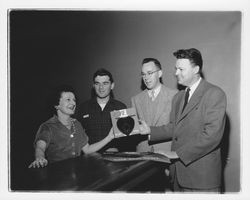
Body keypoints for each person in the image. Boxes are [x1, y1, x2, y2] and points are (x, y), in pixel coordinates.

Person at [139, 48, 227, 192]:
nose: (176, 73)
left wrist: (177, 154)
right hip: (178, 177)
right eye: (176, 68)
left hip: (202, 180)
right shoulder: (178, 97)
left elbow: (212, 136)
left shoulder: (214, 94)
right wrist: (150, 130)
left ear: (196, 69)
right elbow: (174, 127)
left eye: (181, 69)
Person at [28, 85, 121, 168]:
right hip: (57, 178)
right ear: (57, 105)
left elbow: (87, 150)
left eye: (74, 100)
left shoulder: (77, 124)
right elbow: (40, 147)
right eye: (68, 99)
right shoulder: (48, 126)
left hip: (77, 175)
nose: (73, 103)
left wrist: (109, 137)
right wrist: (39, 158)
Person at [131, 58, 177, 153]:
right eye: (143, 74)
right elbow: (134, 131)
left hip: (167, 153)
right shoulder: (136, 99)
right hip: (143, 154)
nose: (146, 77)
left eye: (150, 73)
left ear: (160, 73)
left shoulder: (174, 95)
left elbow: (176, 128)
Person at [77, 68, 127, 152]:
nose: (101, 87)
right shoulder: (84, 108)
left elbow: (126, 137)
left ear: (112, 85)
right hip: (90, 157)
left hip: (114, 157)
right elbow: (78, 137)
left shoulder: (120, 107)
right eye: (97, 83)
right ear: (93, 86)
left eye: (105, 83)